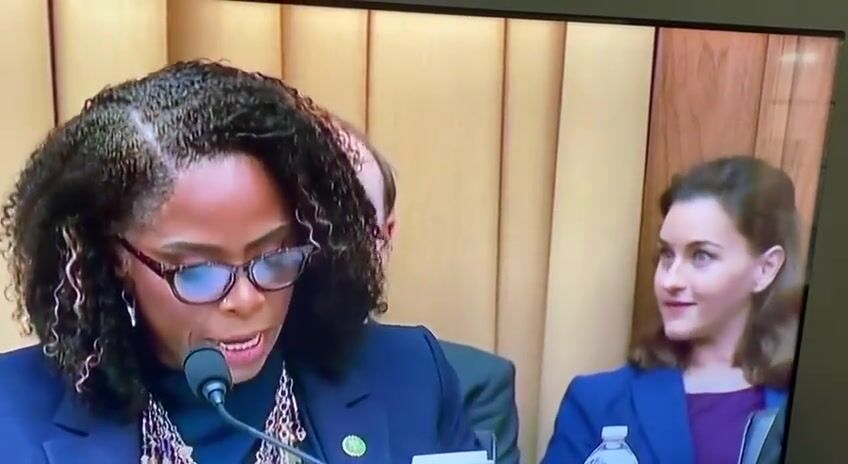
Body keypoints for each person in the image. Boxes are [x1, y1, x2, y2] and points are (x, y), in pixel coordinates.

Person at [0, 61, 482, 464]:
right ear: (116, 258)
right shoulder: (11, 418)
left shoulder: (411, 375)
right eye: (198, 272)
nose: (247, 300)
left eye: (274, 257)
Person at [541, 156, 803, 464]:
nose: (670, 280)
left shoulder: (811, 405)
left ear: (765, 269)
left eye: (701, 256)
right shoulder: (599, 401)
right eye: (667, 255)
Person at [332, 117, 521, 464]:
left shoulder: (453, 382)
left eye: (352, 225)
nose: (330, 247)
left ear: (386, 235)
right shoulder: (231, 378)